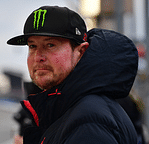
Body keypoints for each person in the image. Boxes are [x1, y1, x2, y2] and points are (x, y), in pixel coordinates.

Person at [7, 5, 138, 144]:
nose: (38, 57)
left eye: (50, 45)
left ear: (80, 52)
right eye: (32, 46)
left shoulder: (88, 121)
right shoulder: (71, 110)